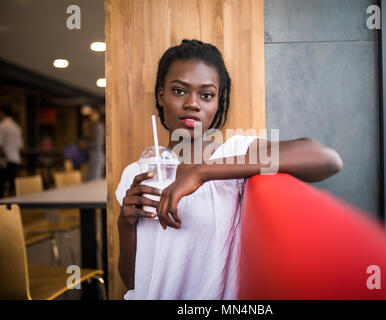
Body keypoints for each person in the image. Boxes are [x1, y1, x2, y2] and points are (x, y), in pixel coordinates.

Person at [115, 39, 343, 300]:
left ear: (217, 103)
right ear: (161, 95)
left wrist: (201, 172)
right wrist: (126, 224)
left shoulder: (232, 154)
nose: (193, 103)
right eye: (179, 91)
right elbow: (133, 280)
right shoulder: (136, 173)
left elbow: (325, 159)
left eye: (207, 95)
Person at [0, 104, 23, 198]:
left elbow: (0, 144)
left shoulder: (2, 126)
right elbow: (20, 145)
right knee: (14, 188)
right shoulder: (16, 127)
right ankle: (13, 209)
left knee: (2, 188)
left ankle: (3, 210)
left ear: (2, 113)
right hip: (16, 159)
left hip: (5, 161)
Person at [85, 108, 105, 181]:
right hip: (95, 154)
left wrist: (86, 144)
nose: (91, 117)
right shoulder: (96, 126)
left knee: (94, 179)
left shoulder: (98, 127)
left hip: (96, 155)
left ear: (98, 115)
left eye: (93, 115)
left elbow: (97, 144)